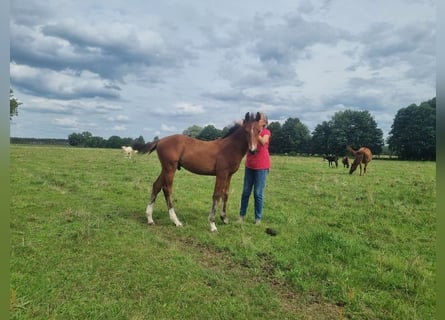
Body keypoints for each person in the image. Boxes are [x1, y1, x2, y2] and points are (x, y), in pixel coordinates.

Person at [238, 112, 271, 224]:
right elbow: (240, 123)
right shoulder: (252, 131)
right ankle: (241, 216)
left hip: (261, 166)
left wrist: (257, 130)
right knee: (246, 192)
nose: (257, 121)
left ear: (265, 122)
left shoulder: (266, 132)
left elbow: (264, 141)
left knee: (258, 193)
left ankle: (258, 218)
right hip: (250, 165)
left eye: (260, 119)